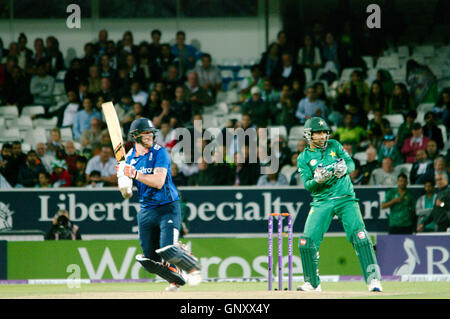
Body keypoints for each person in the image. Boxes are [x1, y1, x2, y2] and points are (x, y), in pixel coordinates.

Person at [296, 117, 382, 292]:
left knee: (360, 236)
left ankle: (373, 280)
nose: (321, 136)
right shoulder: (303, 158)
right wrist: (317, 179)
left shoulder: (334, 145)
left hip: (345, 198)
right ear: (308, 135)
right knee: (306, 242)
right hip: (322, 202)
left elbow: (351, 164)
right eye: (317, 133)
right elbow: (308, 185)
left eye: (323, 133)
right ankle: (312, 283)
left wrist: (344, 168)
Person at [116, 118, 201, 291]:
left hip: (167, 207)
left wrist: (134, 173)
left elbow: (159, 182)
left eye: (151, 133)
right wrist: (123, 179)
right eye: (145, 133)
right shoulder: (129, 158)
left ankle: (190, 263)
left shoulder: (160, 152)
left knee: (167, 249)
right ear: (135, 136)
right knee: (149, 259)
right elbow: (127, 194)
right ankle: (175, 279)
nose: (150, 136)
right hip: (146, 211)